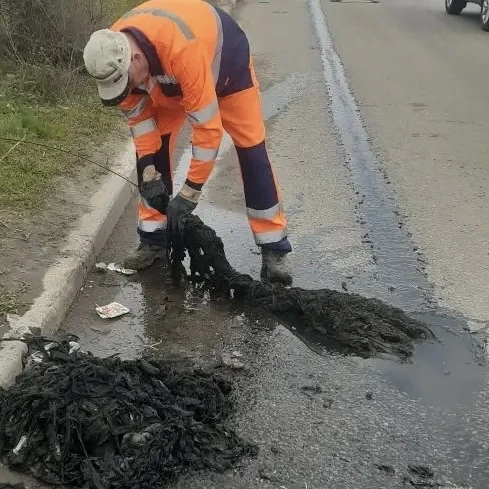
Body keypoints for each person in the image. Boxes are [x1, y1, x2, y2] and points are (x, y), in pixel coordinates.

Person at [83, 0, 293, 285]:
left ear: (135, 58)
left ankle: (274, 248)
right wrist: (149, 172)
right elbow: (141, 126)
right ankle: (153, 241)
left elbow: (208, 131)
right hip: (167, 78)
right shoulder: (112, 58)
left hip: (226, 69)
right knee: (155, 155)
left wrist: (189, 194)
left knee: (252, 150)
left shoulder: (182, 50)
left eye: (126, 82)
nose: (126, 89)